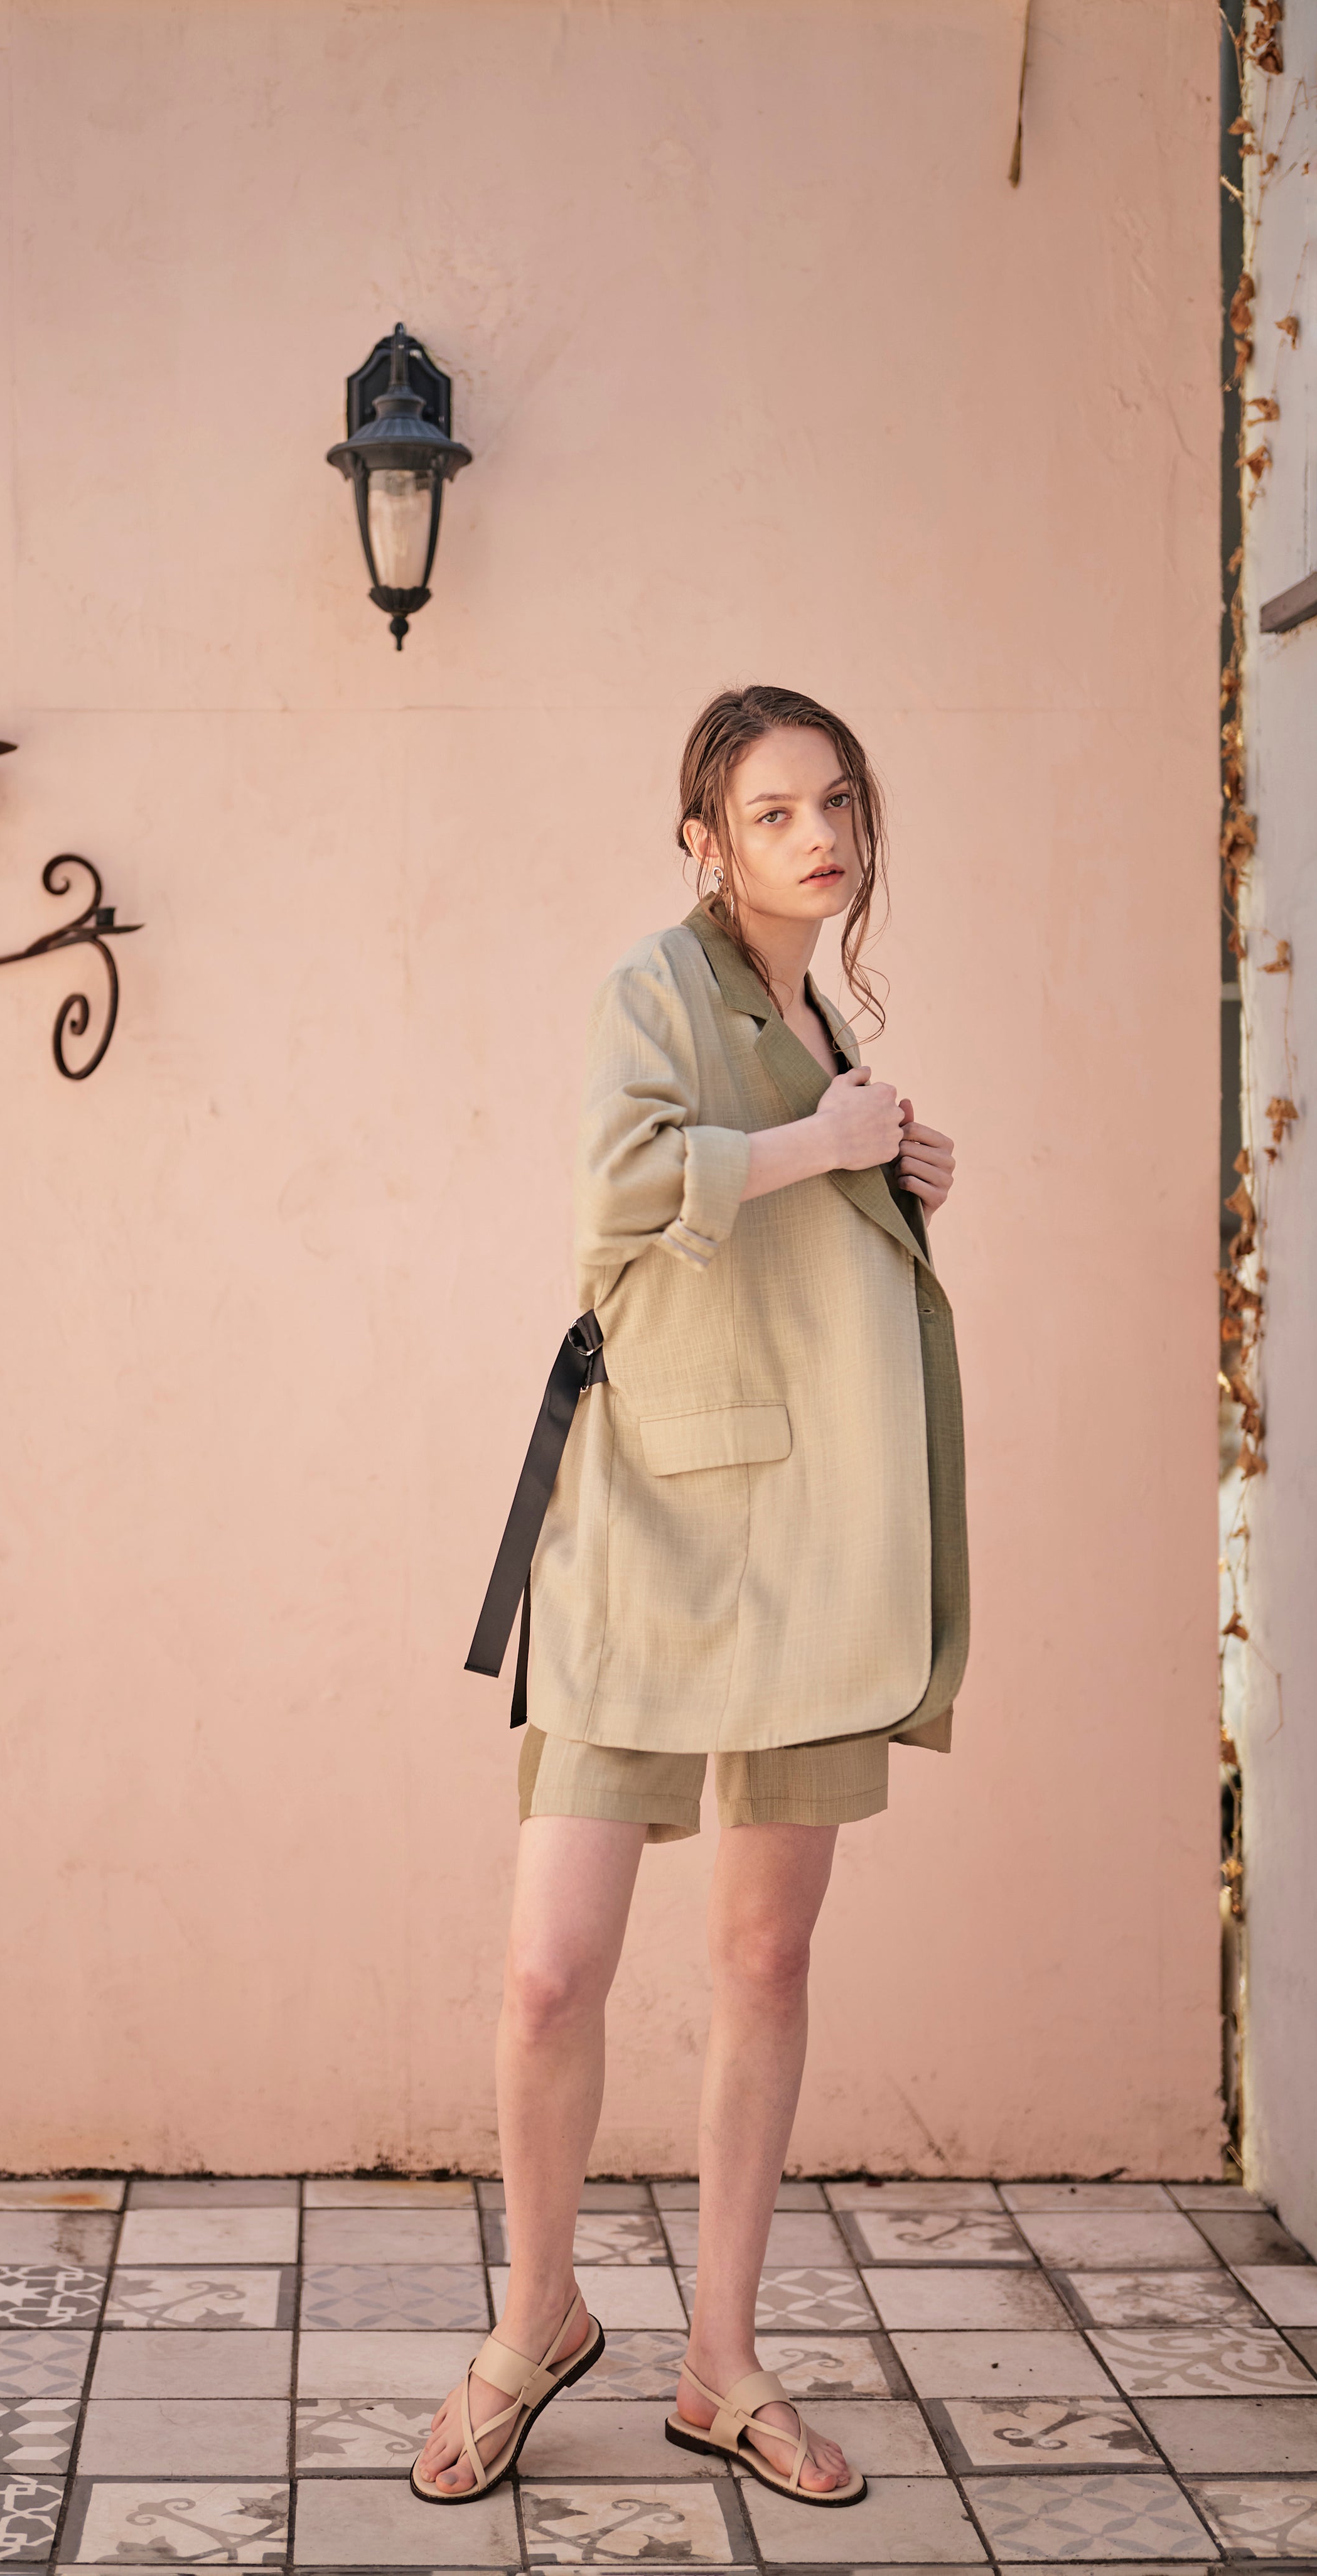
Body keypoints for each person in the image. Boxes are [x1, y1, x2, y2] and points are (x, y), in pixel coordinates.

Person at [413, 685, 968, 2511]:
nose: (821, 838)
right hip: (646, 1520)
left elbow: (799, 1254)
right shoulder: (655, 988)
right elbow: (627, 1193)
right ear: (705, 842)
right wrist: (833, 1144)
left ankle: (723, 2361)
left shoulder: (822, 1021)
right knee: (548, 1968)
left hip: (813, 1531)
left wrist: (906, 1176)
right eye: (776, 811)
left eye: (839, 804)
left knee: (764, 1957)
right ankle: (536, 2320)